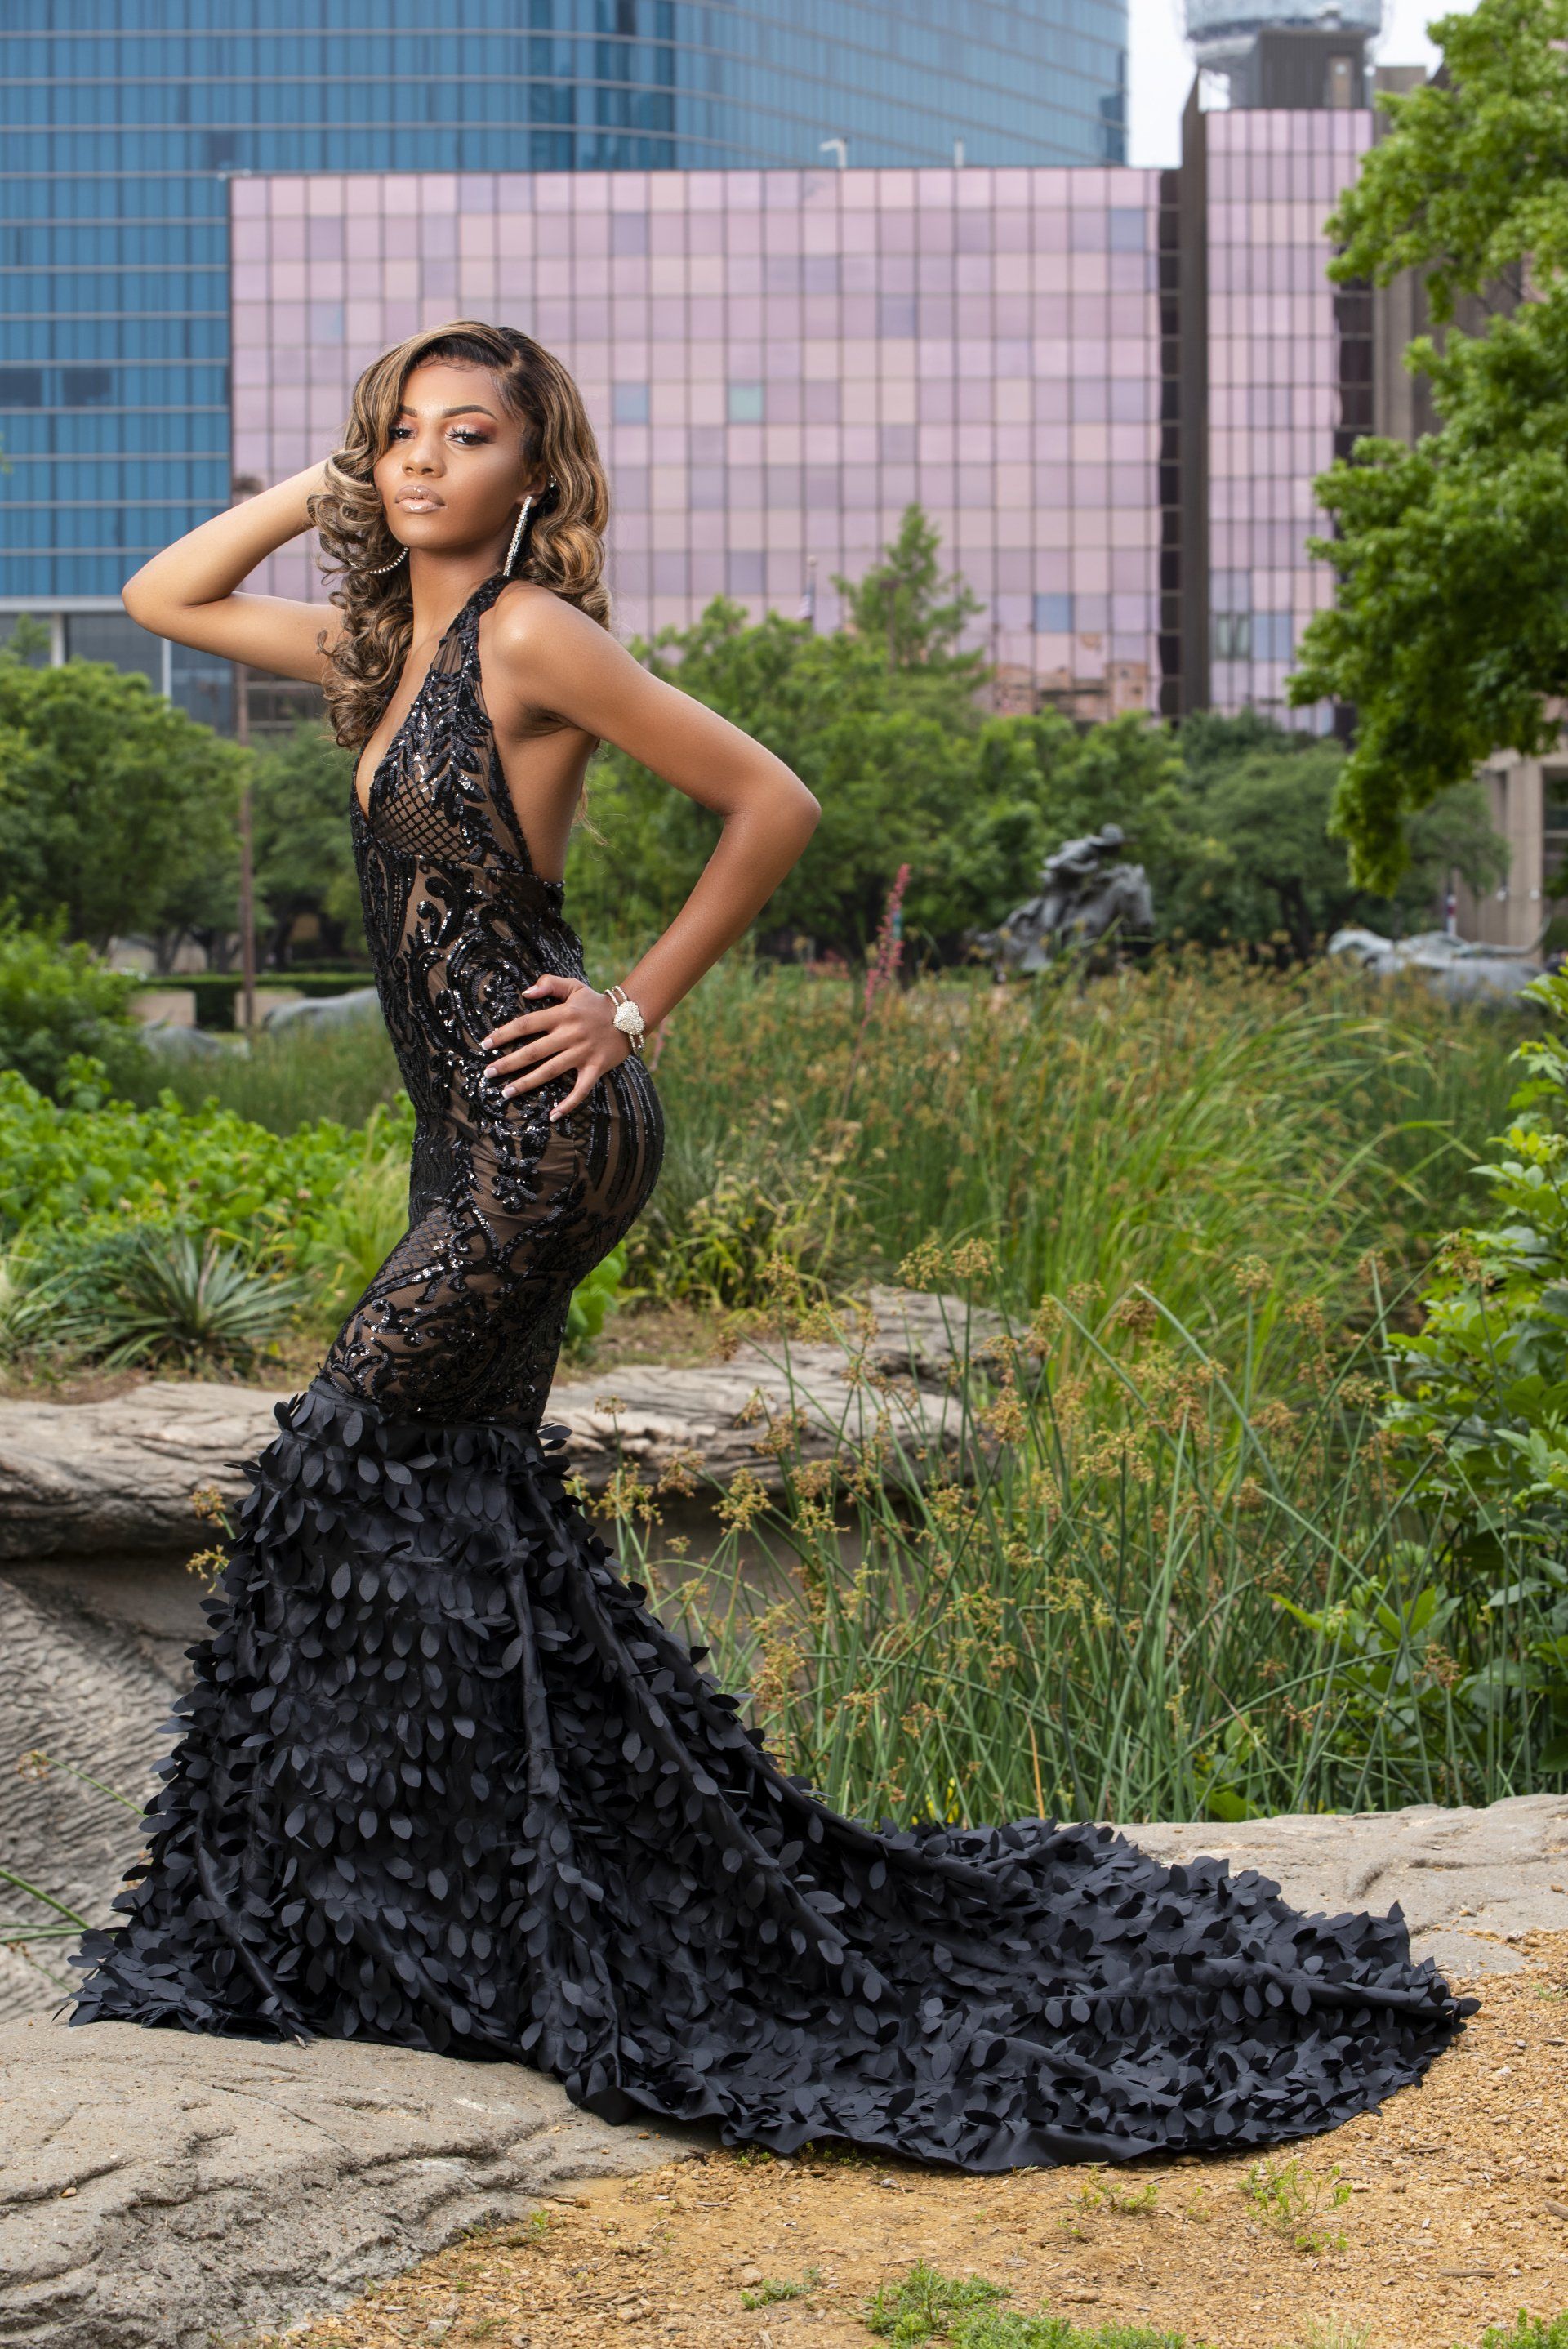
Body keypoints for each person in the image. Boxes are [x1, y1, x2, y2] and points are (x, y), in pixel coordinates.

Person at [70, 319, 1477, 2171]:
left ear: (532, 469)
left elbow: (774, 800)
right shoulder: (377, 649)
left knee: (344, 1453)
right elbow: (157, 593)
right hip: (458, 1146)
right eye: (398, 437)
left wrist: (632, 1009)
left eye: (463, 436)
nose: (421, 464)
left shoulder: (523, 636)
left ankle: (403, 1903)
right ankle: (466, 1907)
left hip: (538, 1132)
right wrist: (335, 480)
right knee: (457, 1497)